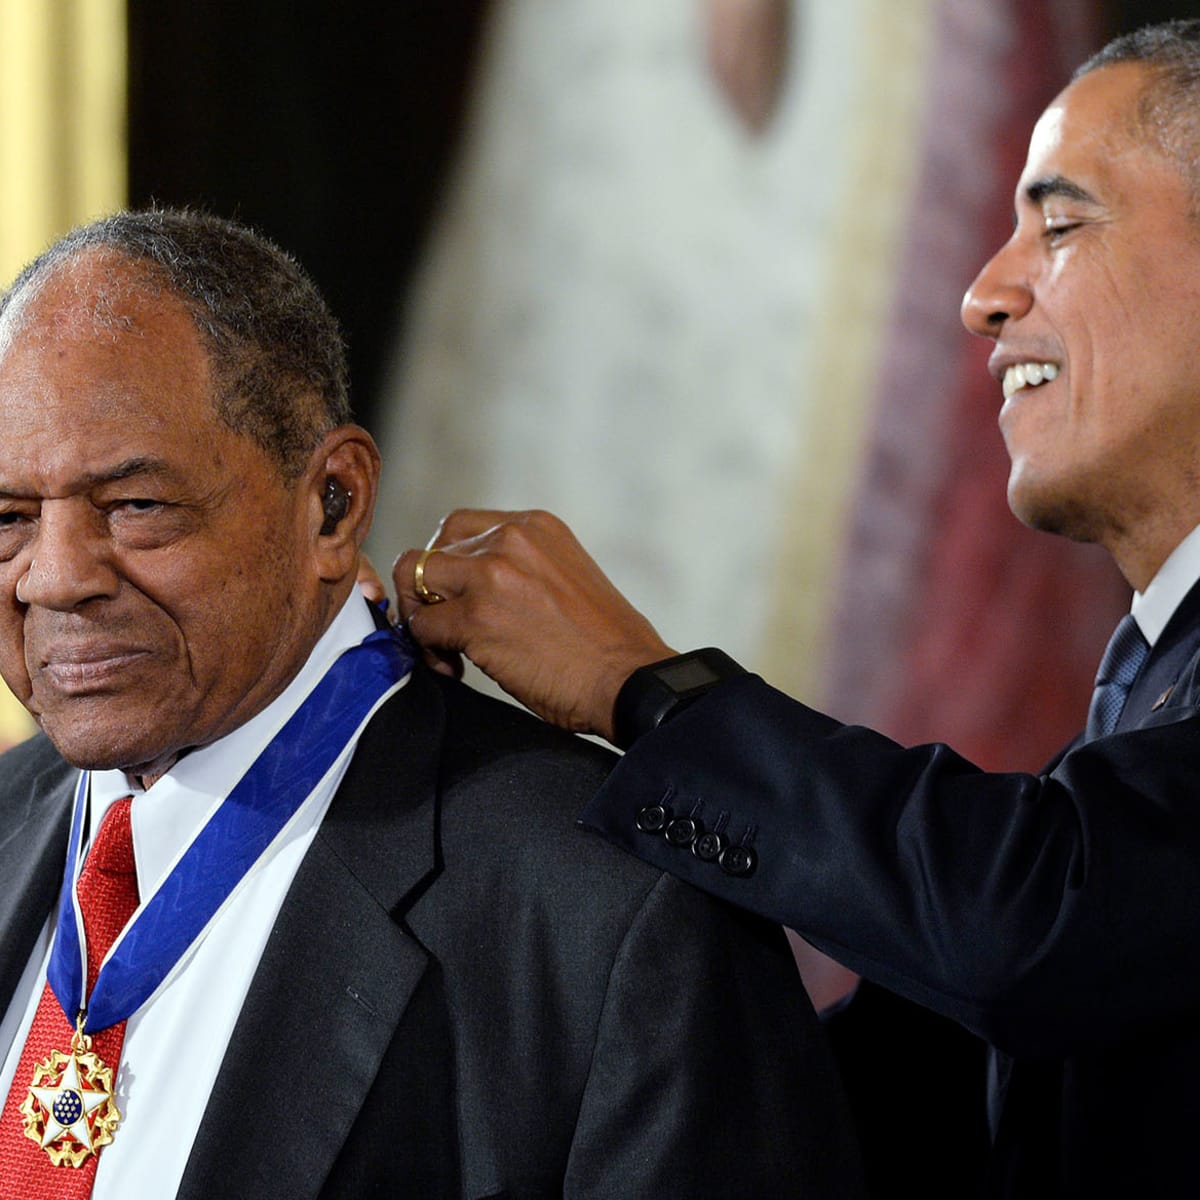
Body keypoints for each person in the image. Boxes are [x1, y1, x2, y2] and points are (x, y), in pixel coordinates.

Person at [394, 20, 1200, 1199]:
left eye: (1061, 224)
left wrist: (648, 693)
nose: (984, 293)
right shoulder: (1149, 669)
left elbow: (1027, 924)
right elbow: (888, 1082)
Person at [0, 210, 865, 1198]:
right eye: (7, 517)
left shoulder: (609, 914)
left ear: (332, 503)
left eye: (135, 506)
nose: (56, 578)